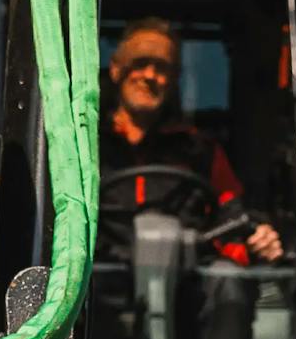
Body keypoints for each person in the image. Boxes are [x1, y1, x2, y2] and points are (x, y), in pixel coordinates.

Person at [101, 22, 285, 264]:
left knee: (227, 280)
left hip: (183, 286)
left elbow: (233, 218)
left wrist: (258, 238)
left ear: (174, 79)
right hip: (97, 284)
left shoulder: (200, 150)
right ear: (116, 69)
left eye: (162, 67)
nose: (149, 76)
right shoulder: (85, 146)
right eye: (140, 63)